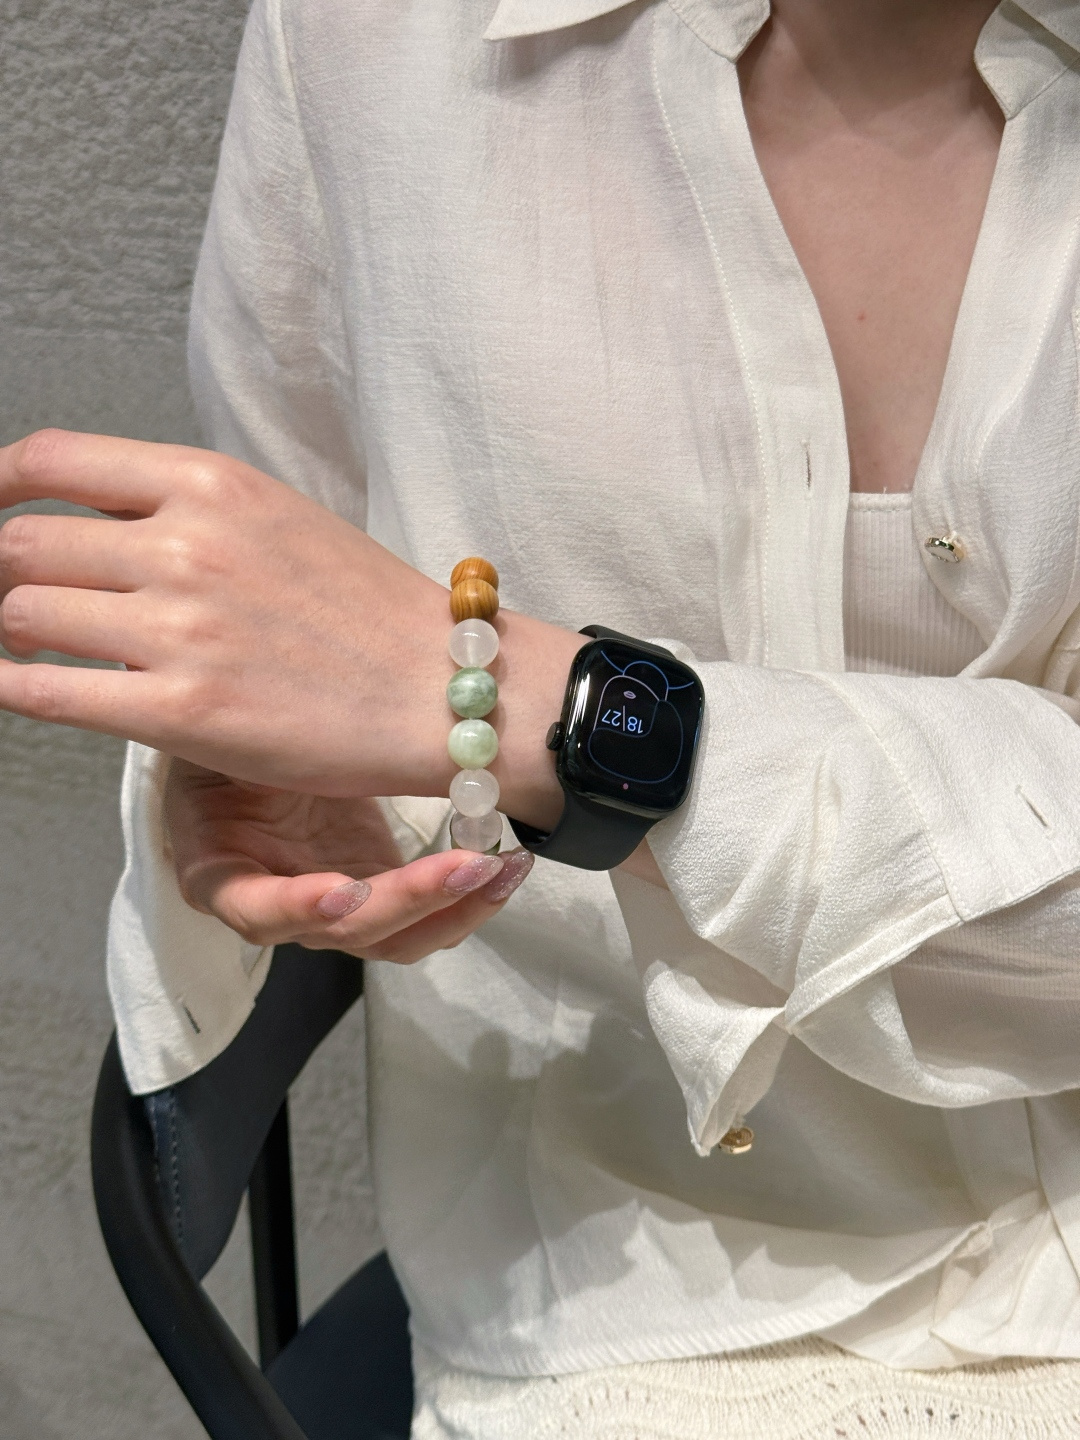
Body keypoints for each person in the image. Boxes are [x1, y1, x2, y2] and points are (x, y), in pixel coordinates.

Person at [4, 0, 1080, 1433]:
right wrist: (284, 772)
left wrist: (549, 709)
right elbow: (318, 605)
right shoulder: (363, 43)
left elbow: (426, 662)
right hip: (620, 1268)